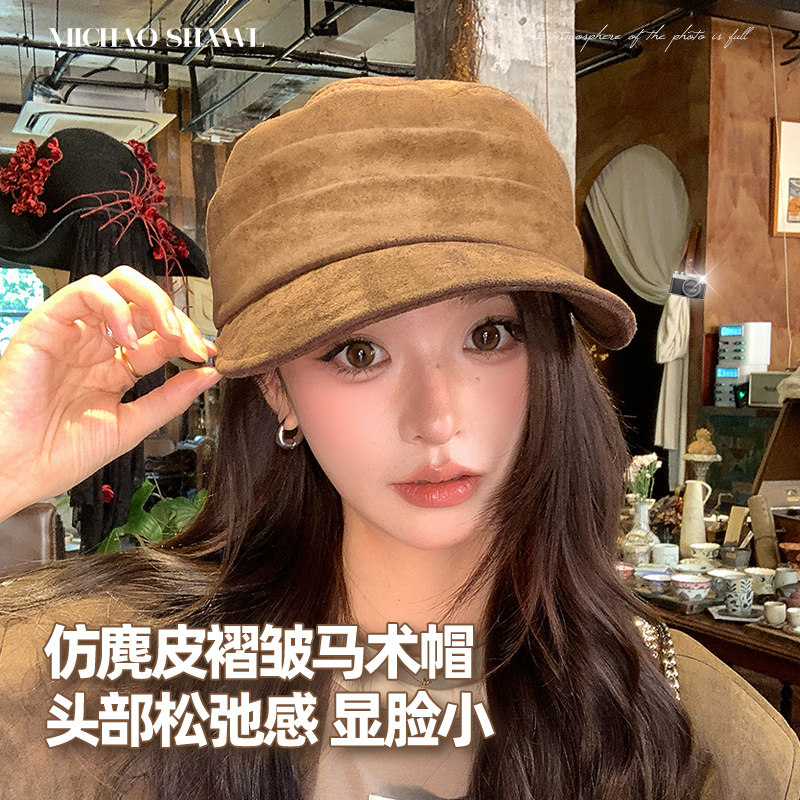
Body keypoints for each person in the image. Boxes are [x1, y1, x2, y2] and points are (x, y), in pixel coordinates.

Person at [0, 77, 798, 800]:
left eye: (489, 335)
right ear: (277, 387)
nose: (437, 418)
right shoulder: (100, 682)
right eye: (359, 353)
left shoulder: (701, 735)